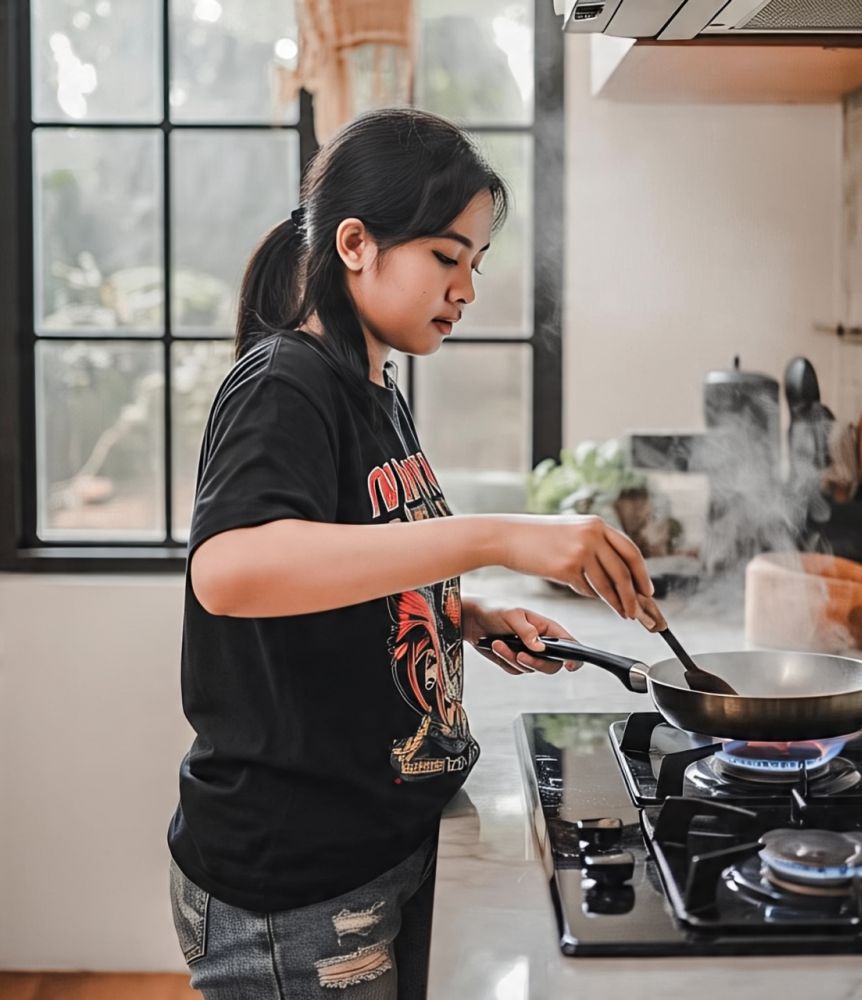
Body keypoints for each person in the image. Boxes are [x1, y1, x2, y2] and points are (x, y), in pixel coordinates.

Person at [167, 107, 654, 1000]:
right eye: (445, 256)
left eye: (476, 264)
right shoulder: (285, 382)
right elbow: (231, 572)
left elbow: (350, 569)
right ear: (356, 244)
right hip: (297, 881)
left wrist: (460, 615)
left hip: (383, 841)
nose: (466, 289)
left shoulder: (377, 391)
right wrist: (500, 534)